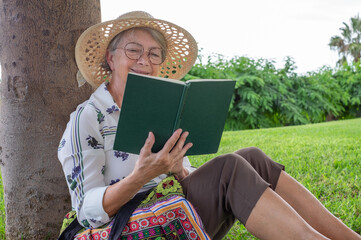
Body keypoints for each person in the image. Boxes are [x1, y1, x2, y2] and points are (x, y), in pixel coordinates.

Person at [58, 11, 361, 240]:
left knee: (252, 156)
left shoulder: (163, 109)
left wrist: (177, 169)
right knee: (229, 168)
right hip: (124, 226)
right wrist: (140, 177)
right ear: (111, 59)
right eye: (133, 50)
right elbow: (87, 212)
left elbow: (185, 176)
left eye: (153, 54)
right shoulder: (88, 117)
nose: (144, 61)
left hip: (174, 208)